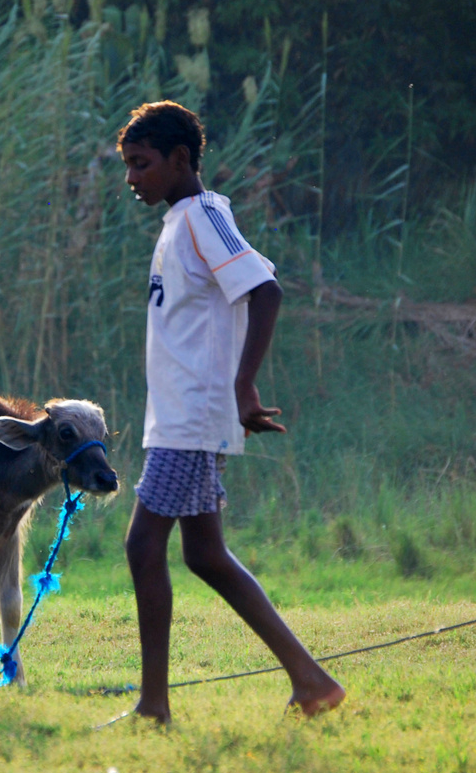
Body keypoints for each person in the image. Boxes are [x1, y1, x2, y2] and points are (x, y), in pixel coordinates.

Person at [118, 100, 345, 724]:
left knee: (143, 545)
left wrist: (244, 387)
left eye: (142, 164)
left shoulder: (204, 215)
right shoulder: (178, 223)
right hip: (177, 416)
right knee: (205, 555)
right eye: (128, 166)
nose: (132, 178)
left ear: (181, 160)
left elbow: (264, 289)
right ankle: (311, 681)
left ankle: (154, 705)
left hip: (193, 418)